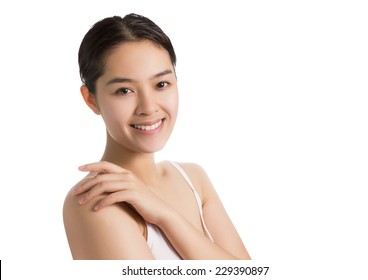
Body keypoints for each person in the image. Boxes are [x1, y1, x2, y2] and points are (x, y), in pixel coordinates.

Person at [63, 13, 251, 260]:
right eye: (124, 90)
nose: (148, 107)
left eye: (161, 84)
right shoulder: (95, 200)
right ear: (91, 99)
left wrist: (166, 216)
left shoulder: (193, 179)